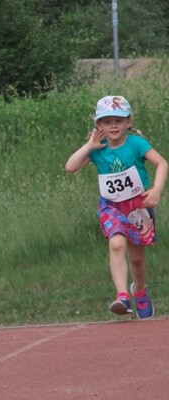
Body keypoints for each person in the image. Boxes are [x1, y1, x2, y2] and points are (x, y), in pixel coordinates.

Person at [65, 95, 167, 319]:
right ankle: (122, 296)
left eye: (118, 121)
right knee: (117, 243)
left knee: (137, 259)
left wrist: (157, 190)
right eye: (107, 121)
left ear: (128, 122)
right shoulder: (97, 148)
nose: (113, 126)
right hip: (111, 206)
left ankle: (139, 290)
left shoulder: (136, 144)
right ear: (98, 125)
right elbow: (70, 167)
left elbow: (162, 163)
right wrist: (89, 146)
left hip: (138, 205)